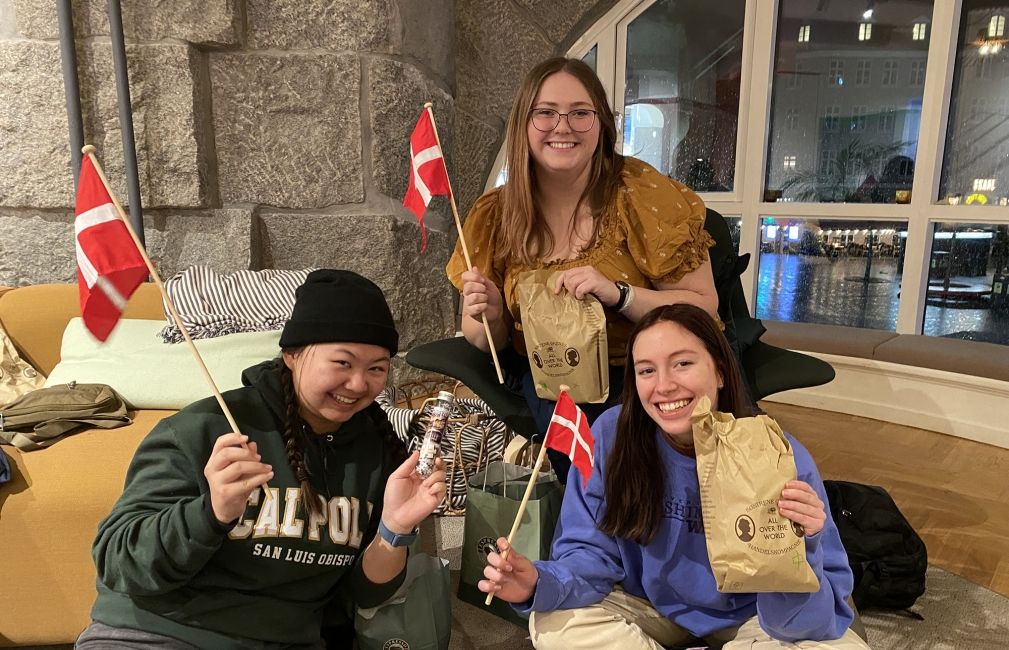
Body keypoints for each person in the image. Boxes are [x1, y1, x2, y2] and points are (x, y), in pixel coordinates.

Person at [77, 270, 447, 650]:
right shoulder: (206, 427)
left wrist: (393, 529)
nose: (358, 384)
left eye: (377, 369)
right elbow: (120, 562)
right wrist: (211, 512)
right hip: (157, 633)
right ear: (292, 354)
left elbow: (364, 597)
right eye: (342, 363)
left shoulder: (378, 451)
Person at [477, 304, 869, 650]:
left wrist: (805, 548)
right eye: (647, 370)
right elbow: (589, 553)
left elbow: (808, 621)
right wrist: (539, 582)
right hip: (650, 605)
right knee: (551, 623)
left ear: (719, 370)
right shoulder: (612, 436)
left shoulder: (780, 455)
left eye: (683, 363)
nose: (664, 386)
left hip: (757, 618)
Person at [446, 57, 718, 479]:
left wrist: (619, 294)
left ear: (602, 125)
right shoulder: (496, 215)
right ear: (523, 124)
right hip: (551, 379)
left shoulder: (638, 193)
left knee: (639, 480)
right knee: (596, 486)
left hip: (641, 373)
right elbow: (484, 340)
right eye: (546, 112)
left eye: (580, 113)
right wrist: (493, 315)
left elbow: (703, 308)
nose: (563, 126)